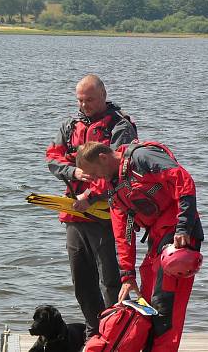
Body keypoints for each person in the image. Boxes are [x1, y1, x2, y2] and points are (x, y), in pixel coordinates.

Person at [75, 141, 204, 352]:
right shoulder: (114, 187)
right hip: (157, 239)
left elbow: (183, 179)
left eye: (95, 173)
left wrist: (183, 228)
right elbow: (123, 233)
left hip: (177, 238)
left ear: (104, 158)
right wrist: (127, 275)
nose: (97, 180)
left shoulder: (142, 157)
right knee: (147, 305)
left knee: (165, 307)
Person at [45, 74, 138, 339]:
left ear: (104, 96)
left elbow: (119, 168)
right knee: (81, 282)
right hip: (75, 212)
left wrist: (91, 194)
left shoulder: (120, 126)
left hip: (106, 214)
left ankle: (117, 333)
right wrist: (73, 172)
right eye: (80, 100)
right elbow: (53, 157)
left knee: (111, 281)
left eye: (90, 100)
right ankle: (93, 333)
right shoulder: (70, 125)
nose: (84, 105)